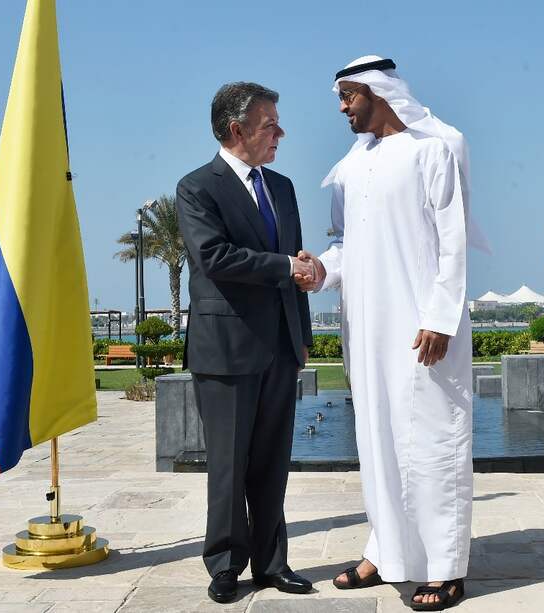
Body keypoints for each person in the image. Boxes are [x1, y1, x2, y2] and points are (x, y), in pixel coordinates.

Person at [296, 56, 480, 611]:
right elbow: (346, 245)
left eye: (348, 96)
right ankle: (386, 549)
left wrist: (441, 317)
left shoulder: (433, 150)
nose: (342, 107)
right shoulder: (350, 167)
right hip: (366, 327)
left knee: (433, 441)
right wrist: (323, 270)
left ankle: (445, 567)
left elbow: (453, 240)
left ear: (379, 93)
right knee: (375, 440)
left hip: (425, 328)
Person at [175, 81, 315, 604]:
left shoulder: (282, 187)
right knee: (229, 466)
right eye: (269, 124)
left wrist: (300, 336)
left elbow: (296, 270)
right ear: (237, 130)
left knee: (272, 462)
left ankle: (272, 563)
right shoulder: (197, 188)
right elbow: (216, 258)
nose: (280, 132)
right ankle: (225, 564)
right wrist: (285, 267)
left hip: (280, 346)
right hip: (226, 350)